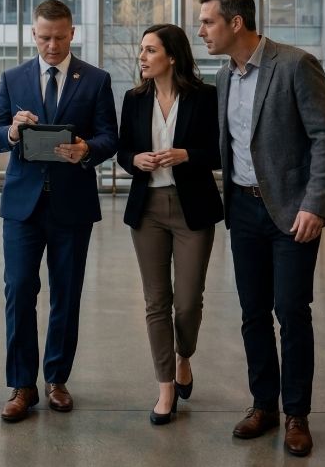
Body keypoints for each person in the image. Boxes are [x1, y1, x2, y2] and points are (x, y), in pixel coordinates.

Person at [197, 0, 325, 457]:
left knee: (291, 312)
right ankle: (264, 404)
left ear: (236, 23)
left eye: (208, 22)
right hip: (242, 208)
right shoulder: (223, 77)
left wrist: (315, 205)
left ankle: (297, 412)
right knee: (252, 312)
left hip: (292, 211)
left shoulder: (295, 65)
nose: (202, 32)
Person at [0, 0, 118, 423]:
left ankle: (57, 379)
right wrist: (11, 130)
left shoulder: (96, 80)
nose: (52, 46)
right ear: (33, 34)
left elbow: (110, 138)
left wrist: (85, 150)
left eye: (60, 37)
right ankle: (22, 385)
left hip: (72, 205)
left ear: (72, 32)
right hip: (22, 206)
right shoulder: (13, 78)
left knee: (66, 294)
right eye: (44, 38)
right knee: (19, 290)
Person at [116, 24, 222, 426]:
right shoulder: (134, 98)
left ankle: (184, 356)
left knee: (188, 301)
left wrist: (186, 155)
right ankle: (164, 387)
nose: (142, 57)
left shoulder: (205, 96)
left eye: (149, 50)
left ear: (172, 56)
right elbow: (125, 150)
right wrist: (135, 161)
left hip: (192, 208)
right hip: (148, 210)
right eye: (141, 50)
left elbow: (218, 152)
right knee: (155, 302)